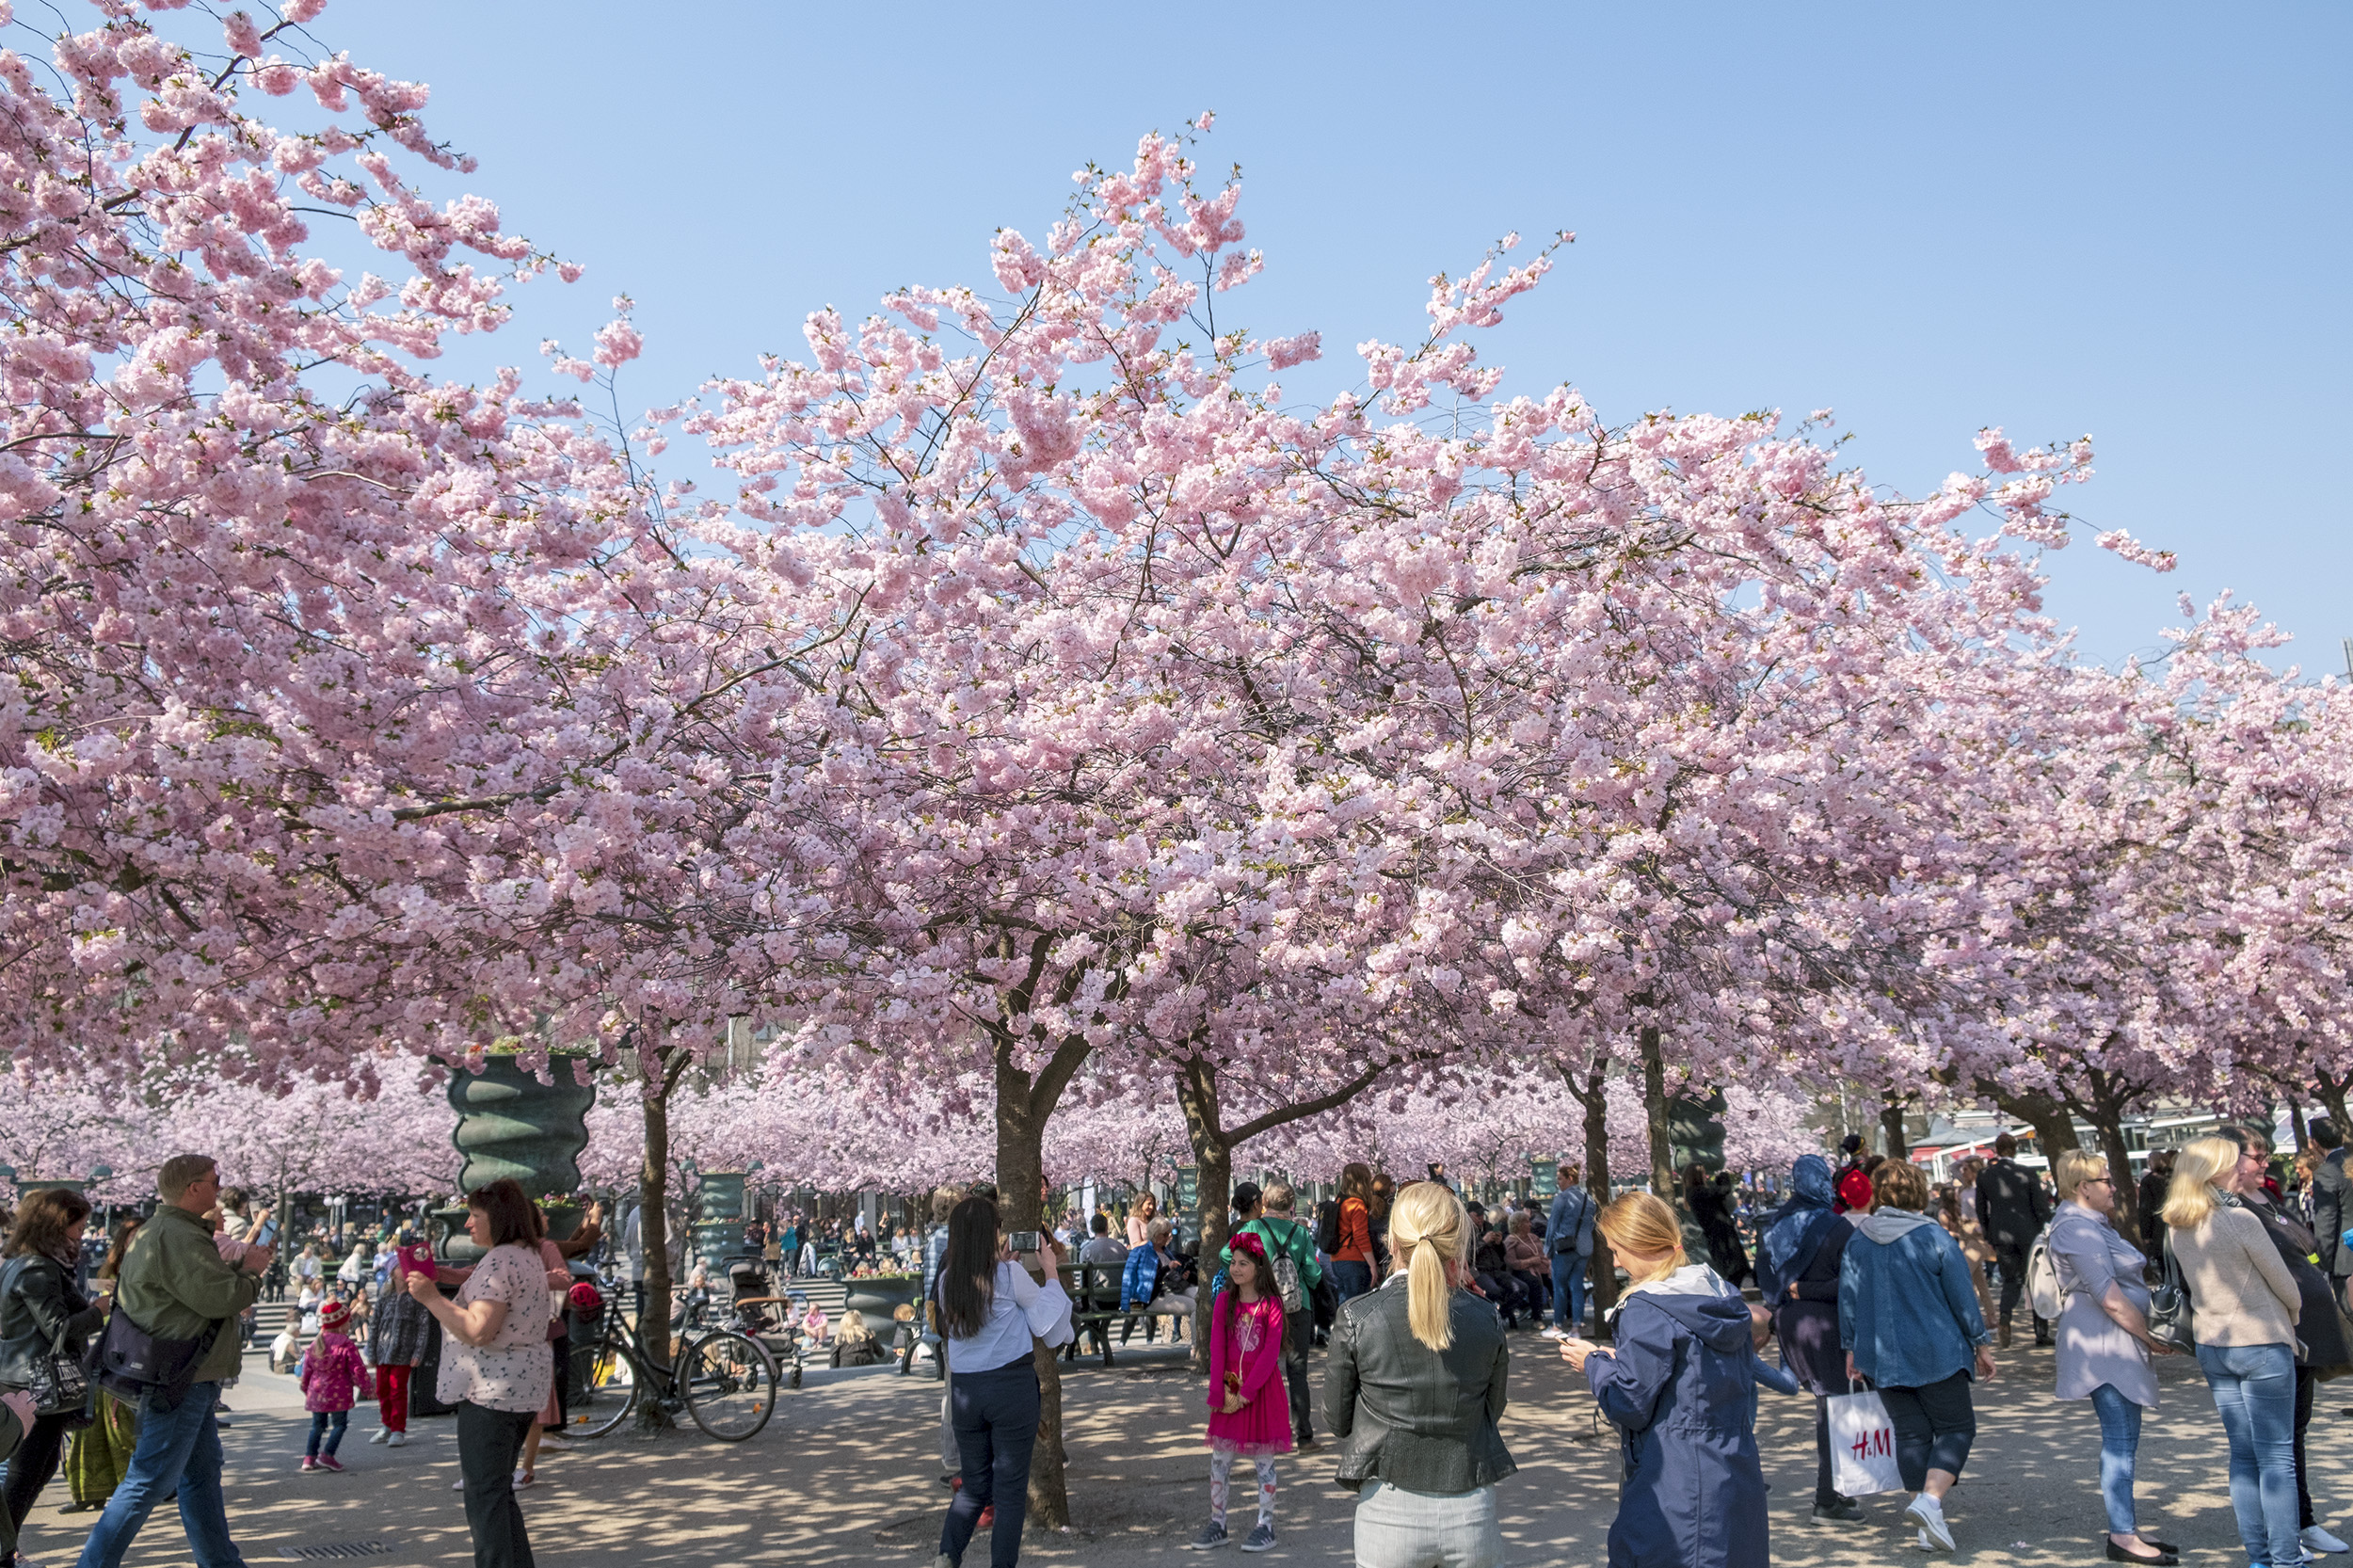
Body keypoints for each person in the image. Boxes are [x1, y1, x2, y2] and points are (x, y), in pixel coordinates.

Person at [74, 1154, 270, 1568]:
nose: (220, 1189)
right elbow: (221, 1298)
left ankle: (221, 1562)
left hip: (178, 1371)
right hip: (181, 1374)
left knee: (199, 1474)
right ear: (193, 1188)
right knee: (149, 1480)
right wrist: (252, 1272)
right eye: (215, 1181)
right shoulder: (178, 1235)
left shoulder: (165, 1231)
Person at [1562, 1192, 1766, 1568]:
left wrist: (1593, 1363)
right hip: (1733, 1470)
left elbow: (1629, 1403)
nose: (1615, 1260)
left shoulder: (1646, 1307)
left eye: (1616, 1249)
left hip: (1676, 1479)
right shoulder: (1720, 1294)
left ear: (1638, 1244)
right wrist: (1618, 1360)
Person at [1326, 1178, 1513, 1568]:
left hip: (1389, 1505)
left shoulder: (1358, 1317)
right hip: (1471, 1504)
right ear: (1457, 1242)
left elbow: (1338, 1420)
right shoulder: (1486, 1317)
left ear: (1392, 1243)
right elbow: (1491, 1411)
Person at [1841, 1156, 1996, 1555]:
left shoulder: (1859, 1239)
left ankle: (1927, 1524)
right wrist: (1980, 1342)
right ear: (1917, 1191)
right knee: (1957, 1428)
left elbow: (1849, 1301)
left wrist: (1851, 1348)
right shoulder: (1933, 1236)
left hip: (1880, 1353)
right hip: (1937, 1349)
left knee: (1910, 1434)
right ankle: (1930, 1504)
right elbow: (1962, 1297)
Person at [2164, 1135, 2303, 1568]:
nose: (2236, 1169)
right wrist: (2293, 1316)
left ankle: (2260, 1555)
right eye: (2229, 1163)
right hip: (2259, 1340)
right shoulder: (2238, 1218)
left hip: (2213, 1343)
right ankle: (2285, 1558)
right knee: (2276, 1456)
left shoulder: (2178, 1221)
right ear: (2213, 1171)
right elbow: (2285, 1284)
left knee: (2243, 1454)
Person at [2219, 1126, 2351, 1560]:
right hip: (2273, 1336)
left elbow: (2306, 1248)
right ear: (2230, 1158)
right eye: (2256, 1156)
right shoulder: (2229, 1209)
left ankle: (2302, 1521)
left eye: (2265, 1154)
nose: (2265, 1163)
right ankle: (2284, 1532)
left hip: (2305, 1334)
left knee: (2295, 1433)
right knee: (2275, 1443)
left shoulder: (2268, 1199)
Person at [405, 1178, 551, 1568]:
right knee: (499, 1495)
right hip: (519, 1387)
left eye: (475, 1215)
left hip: (492, 1391)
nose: (468, 1223)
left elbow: (479, 1329)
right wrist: (451, 1280)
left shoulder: (501, 1259)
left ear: (497, 1219)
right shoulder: (526, 1253)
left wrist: (431, 1298)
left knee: (486, 1499)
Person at [2046, 1150, 2178, 1565]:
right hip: (2104, 1342)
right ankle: (2122, 1535)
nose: (2114, 1186)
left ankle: (2127, 1525)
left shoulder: (2089, 1224)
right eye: (2106, 1180)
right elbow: (2109, 1297)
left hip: (2112, 1341)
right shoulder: (2076, 1229)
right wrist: (2150, 1335)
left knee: (2125, 1438)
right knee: (2120, 1440)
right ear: (2083, 1187)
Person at [933, 1195, 1072, 1568]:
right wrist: (1051, 1271)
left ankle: (948, 1554)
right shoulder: (1009, 1276)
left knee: (974, 1485)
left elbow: (982, 1302)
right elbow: (1045, 1320)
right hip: (1011, 1388)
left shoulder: (947, 1282)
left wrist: (1005, 1268)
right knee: (1010, 1491)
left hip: (965, 1391)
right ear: (993, 1232)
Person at [0, 1189, 108, 1561]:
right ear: (59, 1224)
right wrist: (100, 1310)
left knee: (37, 1467)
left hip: (24, 1378)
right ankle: (4, 1551)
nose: (84, 1230)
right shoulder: (37, 1268)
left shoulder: (17, 1262)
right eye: (80, 1223)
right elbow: (59, 1329)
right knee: (27, 1472)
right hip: (36, 1382)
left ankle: (7, 1549)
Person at [1754, 1154, 1858, 1523]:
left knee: (1827, 1406)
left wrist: (1787, 1296)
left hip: (1790, 1325)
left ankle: (1840, 1490)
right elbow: (1851, 1285)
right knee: (1832, 1409)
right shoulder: (1836, 1227)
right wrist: (1807, 1289)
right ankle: (1826, 1499)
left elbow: (1765, 1277)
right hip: (1827, 1326)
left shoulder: (1775, 1225)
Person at [1188, 1232, 1291, 1552]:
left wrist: (1247, 1391)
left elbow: (1271, 1352)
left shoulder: (1272, 1304)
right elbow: (1216, 1348)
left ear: (1258, 1267)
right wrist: (1217, 1391)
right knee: (1220, 1459)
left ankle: (1266, 1525)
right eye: (1233, 1262)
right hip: (1228, 1389)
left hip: (1261, 1391)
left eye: (1243, 1263)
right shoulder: (1223, 1301)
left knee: (1264, 1460)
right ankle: (1218, 1523)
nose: (1236, 1268)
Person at [1222, 1184, 1323, 1449]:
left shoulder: (1252, 1230)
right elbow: (1314, 1274)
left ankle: (1261, 1433)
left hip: (1260, 1307)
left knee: (1259, 1369)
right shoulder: (1300, 1233)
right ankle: (1304, 1436)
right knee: (1298, 1371)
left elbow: (1225, 1255)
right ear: (1291, 1204)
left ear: (1264, 1202)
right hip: (1297, 1307)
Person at [64, 1223, 141, 1514]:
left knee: (123, 1425)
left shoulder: (156, 1266)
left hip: (139, 1353)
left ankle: (140, 1484)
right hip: (108, 1349)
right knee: (91, 1419)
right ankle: (88, 1491)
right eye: (133, 1238)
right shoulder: (110, 1269)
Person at [1974, 1133, 2053, 1348]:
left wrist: (1989, 1233)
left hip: (2001, 1233)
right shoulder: (2026, 1173)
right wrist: (2046, 1225)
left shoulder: (1985, 1175)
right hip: (2029, 1231)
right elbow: (2040, 1206)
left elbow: (1981, 1209)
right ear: (2015, 1149)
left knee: (2011, 1279)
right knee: (2035, 1279)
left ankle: (2006, 1317)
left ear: (1996, 1150)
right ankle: (2041, 1332)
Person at [368, 1234, 433, 1448]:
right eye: (399, 1268)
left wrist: (418, 1352)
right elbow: (374, 1324)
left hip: (403, 1353)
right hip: (382, 1351)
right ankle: (386, 1425)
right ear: (392, 1272)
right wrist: (371, 1351)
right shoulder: (384, 1297)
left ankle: (398, 1429)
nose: (403, 1271)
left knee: (398, 1390)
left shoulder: (417, 1298)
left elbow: (423, 1326)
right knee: (382, 1390)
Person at [296, 1299, 368, 1473]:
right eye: (348, 1321)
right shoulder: (346, 1344)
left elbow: (307, 1370)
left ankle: (309, 1458)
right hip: (339, 1391)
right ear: (341, 1324)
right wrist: (367, 1388)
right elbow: (357, 1369)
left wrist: (306, 1388)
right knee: (339, 1425)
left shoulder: (316, 1343)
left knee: (317, 1426)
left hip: (317, 1391)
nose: (350, 1323)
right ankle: (327, 1455)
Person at [1931, 1182, 1997, 1334]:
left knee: (1964, 1280)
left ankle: (1979, 1319)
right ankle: (1990, 1318)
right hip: (1964, 1245)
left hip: (1961, 1247)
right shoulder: (1956, 1210)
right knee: (1980, 1283)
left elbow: (1945, 1232)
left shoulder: (1950, 1211)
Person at [1544, 1166, 1596, 1341]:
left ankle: (1557, 1325)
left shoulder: (1561, 1199)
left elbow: (1552, 1227)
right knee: (1577, 1288)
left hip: (1564, 1247)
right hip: (1584, 1248)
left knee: (1559, 1288)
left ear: (1569, 1178)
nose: (1558, 1182)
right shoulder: (1589, 1200)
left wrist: (1548, 1250)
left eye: (1560, 1179)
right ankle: (1576, 1328)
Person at [1685, 1165, 1751, 1288]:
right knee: (1733, 1270)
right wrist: (1723, 1175)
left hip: (1720, 1233)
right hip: (1720, 1236)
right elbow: (1723, 1190)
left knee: (1735, 1270)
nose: (1706, 1177)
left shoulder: (1694, 1192)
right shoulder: (1698, 1192)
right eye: (1703, 1174)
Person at [1329, 1165, 1376, 1306]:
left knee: (1344, 1306)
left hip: (1336, 1259)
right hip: (1354, 1260)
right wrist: (1373, 1265)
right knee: (1358, 1307)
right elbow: (1361, 1237)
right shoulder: (1357, 1205)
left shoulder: (1339, 1201)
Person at [2310, 1122, 2349, 1287]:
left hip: (2345, 1261)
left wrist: (2320, 1264)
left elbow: (2326, 1223)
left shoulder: (2327, 1172)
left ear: (2316, 1143)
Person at [2139, 1150, 2176, 1261]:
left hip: (2159, 1227)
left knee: (2164, 1265)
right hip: (2179, 1222)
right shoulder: (2176, 1176)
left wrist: (2146, 1234)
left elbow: (2145, 1209)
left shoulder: (2148, 1181)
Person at [1832, 1134, 1872, 1214]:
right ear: (1862, 1150)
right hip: (1864, 1212)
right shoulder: (1867, 1169)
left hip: (1845, 1213)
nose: (1868, 1149)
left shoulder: (1841, 1172)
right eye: (1866, 1146)